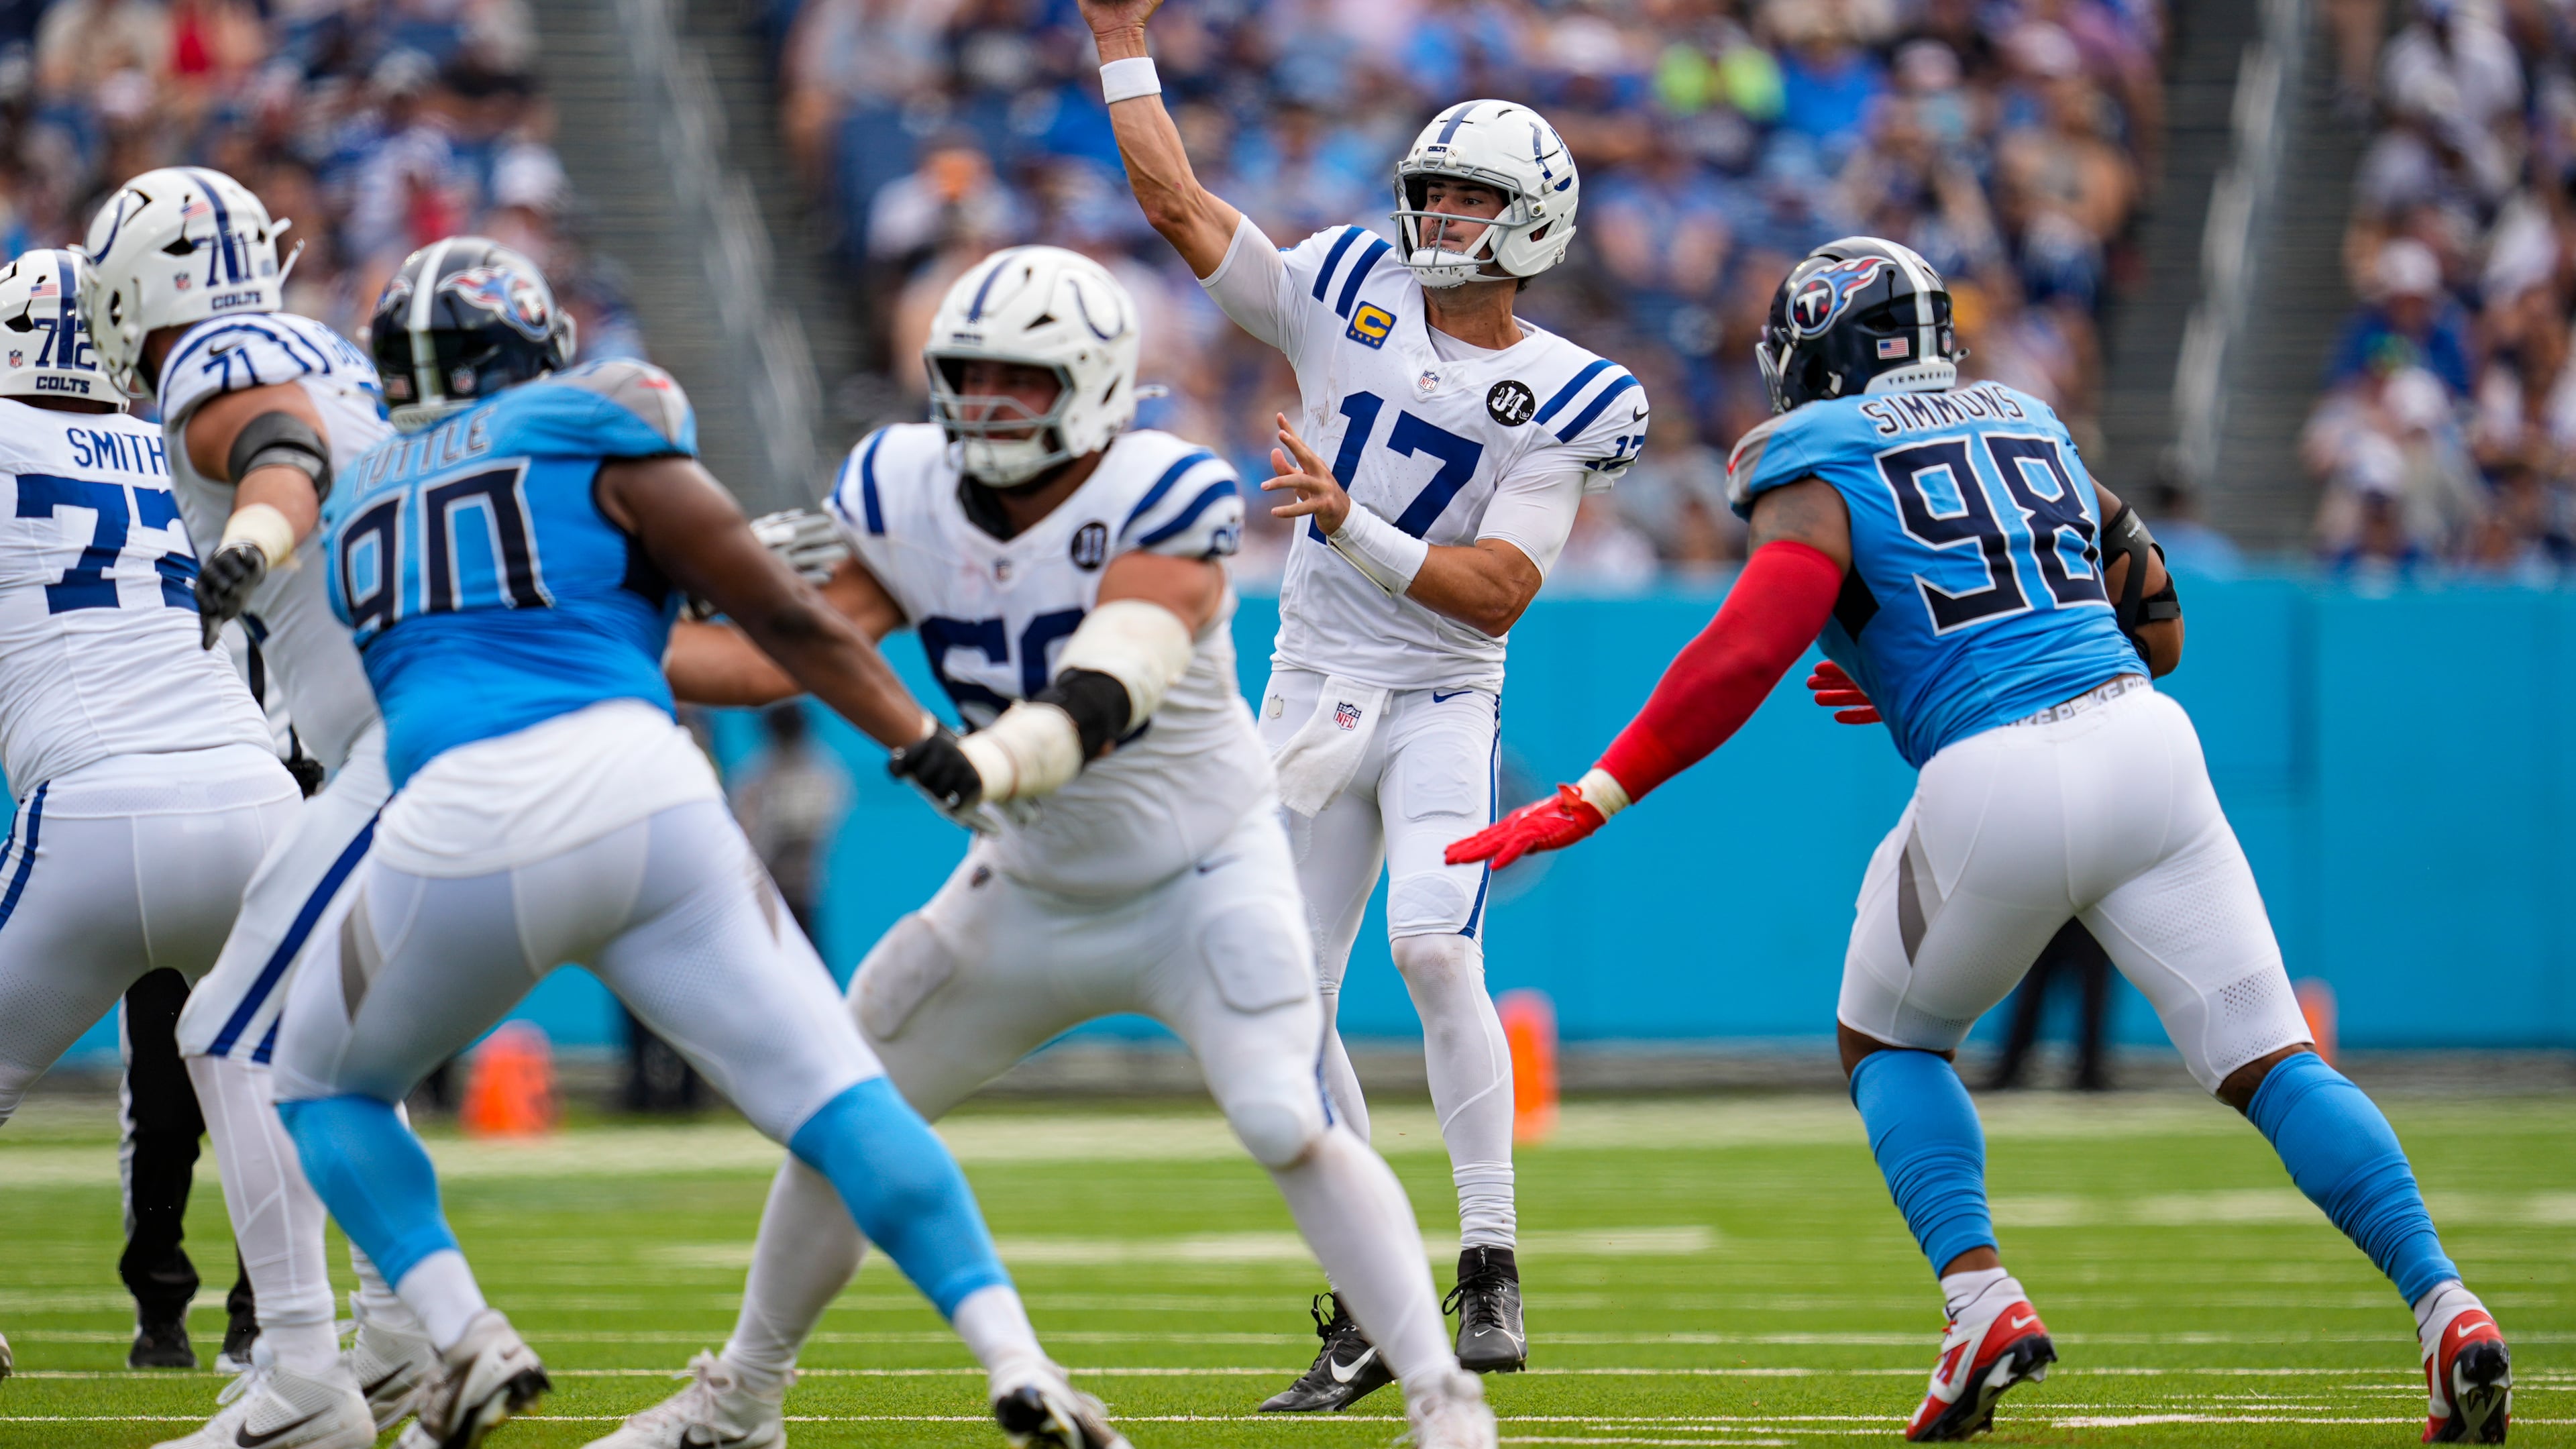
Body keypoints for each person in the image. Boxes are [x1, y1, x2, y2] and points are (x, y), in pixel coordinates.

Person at [1450, 237, 2514, 1444]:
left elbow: (1749, 649)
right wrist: (1912, 652)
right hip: (2147, 744)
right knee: (2276, 1061)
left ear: (1824, 356)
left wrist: (1595, 795)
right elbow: (2156, 622)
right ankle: (2448, 1307)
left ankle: (1981, 1300)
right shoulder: (2030, 421)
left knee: (1887, 1040)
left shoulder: (1815, 452)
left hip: (1998, 772)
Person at [602, 244, 1495, 1449]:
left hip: (1196, 879)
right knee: (846, 1109)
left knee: (1284, 1116)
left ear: (1088, 384)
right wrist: (585, 641)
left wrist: (985, 762)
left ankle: (1445, 1398)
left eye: (1016, 381)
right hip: (1026, 882)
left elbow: (1112, 673)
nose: (982, 406)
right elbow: (789, 652)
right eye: (965, 375)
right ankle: (741, 1402)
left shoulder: (1164, 486)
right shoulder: (901, 482)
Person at [276, 237, 1120, 1449]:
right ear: (533, 349)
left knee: (321, 1087)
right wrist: (922, 742)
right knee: (843, 1100)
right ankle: (1014, 1356)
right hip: (641, 789)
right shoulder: (589, 417)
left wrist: (668, 592)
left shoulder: (354, 495)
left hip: (454, 816)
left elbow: (492, 618)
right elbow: (778, 616)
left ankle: (466, 1334)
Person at [1081, 0, 1654, 1403]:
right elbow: (1171, 198)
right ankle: (1361, 1300)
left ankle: (1493, 1260)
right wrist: (1118, 38)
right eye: (1435, 190)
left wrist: (1347, 523)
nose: (1444, 213)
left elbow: (1497, 593)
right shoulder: (1345, 283)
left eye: (1474, 197)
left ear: (1535, 222)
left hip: (1445, 697)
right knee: (1284, 999)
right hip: (1317, 691)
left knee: (1437, 952)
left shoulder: (1571, 394)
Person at [80, 166, 441, 1449]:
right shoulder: (326, 346)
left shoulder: (217, 360)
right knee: (342, 1041)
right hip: (427, 726)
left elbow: (280, 457)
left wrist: (251, 547)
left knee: (232, 1028)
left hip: (390, 750)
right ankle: (403, 1330)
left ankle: (314, 1369)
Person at [0, 248, 300, 1386]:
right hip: (255, 792)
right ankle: (327, 1339)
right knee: (288, 1087)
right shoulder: (175, 445)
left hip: (98, 800)